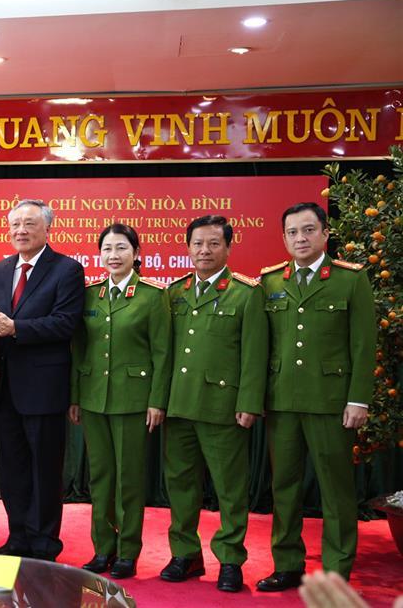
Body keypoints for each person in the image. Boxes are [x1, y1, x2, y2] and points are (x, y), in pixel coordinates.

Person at [256, 202, 376, 591]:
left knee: (336, 489)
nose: (300, 238)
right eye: (292, 232)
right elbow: (261, 347)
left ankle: (337, 570)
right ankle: (287, 563)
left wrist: (359, 399)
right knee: (284, 488)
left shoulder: (349, 280)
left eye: (308, 230)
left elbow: (362, 345)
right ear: (284, 237)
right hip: (282, 401)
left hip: (331, 402)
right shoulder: (271, 281)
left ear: (325, 233)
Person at [159, 215, 266, 593]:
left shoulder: (246, 292)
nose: (204, 251)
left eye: (213, 244)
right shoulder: (173, 292)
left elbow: (255, 355)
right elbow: (165, 353)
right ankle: (185, 554)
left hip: (224, 407)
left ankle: (231, 559)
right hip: (179, 406)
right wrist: (159, 402)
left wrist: (250, 402)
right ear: (188, 247)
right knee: (180, 484)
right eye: (198, 244)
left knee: (230, 489)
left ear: (228, 248)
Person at [0, 199, 84, 562]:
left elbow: (65, 322)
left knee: (44, 468)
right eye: (15, 224)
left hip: (44, 389)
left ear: (47, 229)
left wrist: (17, 328)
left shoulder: (67, 269)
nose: (21, 231)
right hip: (5, 387)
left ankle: (44, 545)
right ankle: (18, 538)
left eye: (29, 224)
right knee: (12, 469)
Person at [69, 223, 171, 578]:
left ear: (136, 253)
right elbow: (78, 348)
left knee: (129, 478)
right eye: (108, 249)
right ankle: (103, 549)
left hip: (133, 400)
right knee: (101, 478)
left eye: (122, 249)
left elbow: (162, 354)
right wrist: (76, 396)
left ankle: (128, 551)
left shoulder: (152, 295)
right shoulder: (90, 294)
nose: (114, 256)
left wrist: (157, 401)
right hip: (94, 398)